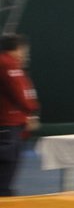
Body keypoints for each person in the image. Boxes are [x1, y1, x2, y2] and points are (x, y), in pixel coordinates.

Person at [0, 34, 39, 197]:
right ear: (17, 48)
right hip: (8, 124)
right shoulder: (8, 64)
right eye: (23, 50)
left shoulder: (12, 65)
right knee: (7, 163)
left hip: (11, 123)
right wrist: (31, 110)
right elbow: (21, 93)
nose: (25, 54)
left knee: (8, 164)